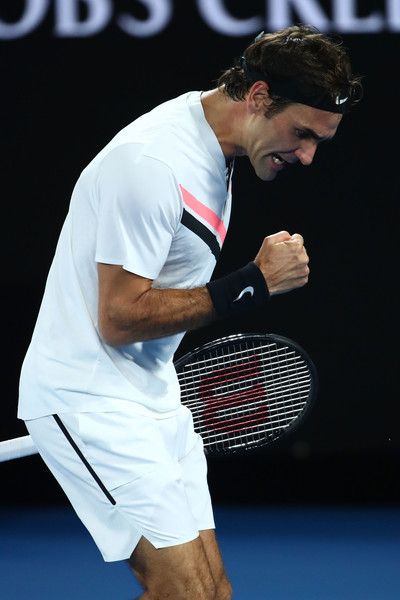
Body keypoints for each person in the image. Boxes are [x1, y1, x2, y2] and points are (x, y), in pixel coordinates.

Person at [18, 25, 362, 600]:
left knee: (211, 594)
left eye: (319, 142)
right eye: (302, 134)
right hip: (88, 397)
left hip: (150, 394)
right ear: (257, 97)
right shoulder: (153, 163)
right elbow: (120, 317)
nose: (306, 155)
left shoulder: (211, 140)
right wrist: (252, 284)